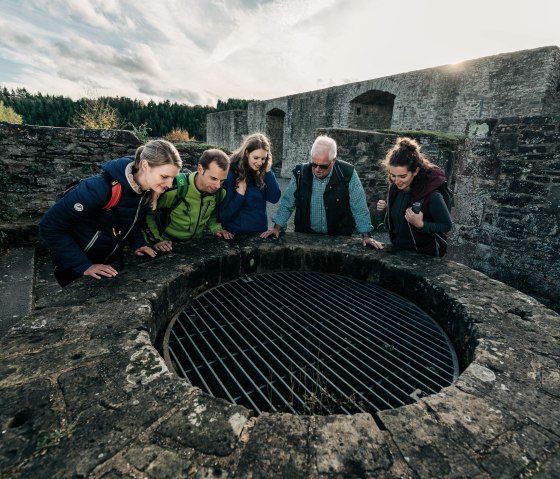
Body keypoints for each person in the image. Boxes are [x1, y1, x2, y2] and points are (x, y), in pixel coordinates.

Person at [39, 139, 182, 287]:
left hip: (109, 264)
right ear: (145, 165)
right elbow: (49, 225)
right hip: (75, 269)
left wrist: (137, 243)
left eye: (173, 178)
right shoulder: (99, 188)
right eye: (165, 177)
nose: (170, 184)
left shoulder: (147, 189)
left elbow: (130, 219)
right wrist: (84, 265)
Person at [261, 135, 384, 249]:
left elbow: (359, 205)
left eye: (323, 166)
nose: (317, 169)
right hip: (305, 237)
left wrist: (366, 235)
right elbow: (287, 203)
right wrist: (277, 227)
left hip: (338, 239)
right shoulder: (300, 173)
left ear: (334, 160)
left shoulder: (347, 173)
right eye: (314, 164)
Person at [144, 148, 233, 252]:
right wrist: (156, 240)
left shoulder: (220, 193)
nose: (218, 186)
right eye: (213, 178)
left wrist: (216, 229)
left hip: (196, 246)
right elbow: (147, 214)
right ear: (200, 169)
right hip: (168, 246)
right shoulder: (174, 188)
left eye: (222, 180)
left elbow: (212, 214)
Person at [376, 137, 452, 256]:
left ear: (415, 171)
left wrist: (421, 225)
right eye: (393, 175)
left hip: (425, 255)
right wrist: (387, 208)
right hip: (398, 250)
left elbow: (447, 225)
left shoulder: (432, 195)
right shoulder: (394, 188)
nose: (397, 181)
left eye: (402, 176)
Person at [219, 133, 281, 234]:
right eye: (256, 158)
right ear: (247, 153)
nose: (260, 163)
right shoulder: (231, 174)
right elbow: (224, 215)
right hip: (237, 235)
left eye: (263, 158)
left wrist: (269, 171)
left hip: (260, 233)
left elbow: (274, 198)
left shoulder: (262, 171)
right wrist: (239, 195)